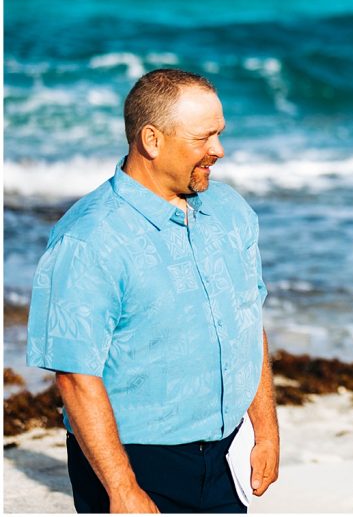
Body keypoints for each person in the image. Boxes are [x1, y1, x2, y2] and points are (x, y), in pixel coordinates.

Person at [26, 69, 279, 513]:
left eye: (220, 134)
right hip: (135, 460)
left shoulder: (230, 211)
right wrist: (122, 488)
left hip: (227, 455)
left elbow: (246, 321)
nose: (218, 151)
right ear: (152, 140)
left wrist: (266, 430)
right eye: (204, 138)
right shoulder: (88, 238)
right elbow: (74, 374)